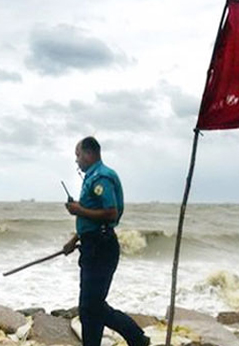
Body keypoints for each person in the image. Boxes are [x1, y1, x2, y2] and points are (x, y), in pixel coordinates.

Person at [63, 136, 150, 346]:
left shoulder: (101, 177)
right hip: (92, 244)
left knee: (92, 306)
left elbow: (111, 213)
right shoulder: (92, 177)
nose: (76, 160)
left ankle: (137, 338)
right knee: (90, 307)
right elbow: (90, 219)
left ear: (89, 153)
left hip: (101, 247)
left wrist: (78, 210)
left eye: (78, 155)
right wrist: (73, 240)